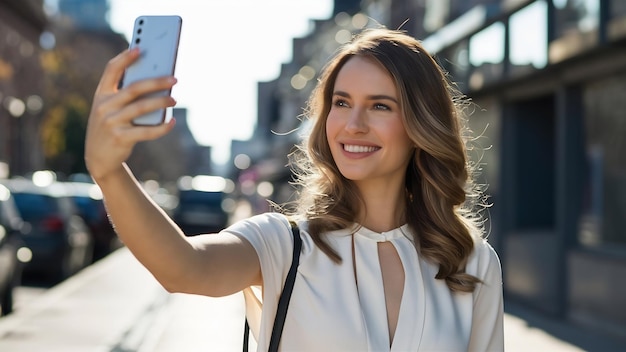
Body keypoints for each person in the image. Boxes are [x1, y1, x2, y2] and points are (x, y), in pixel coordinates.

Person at [85, 27, 504, 351]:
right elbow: (184, 267)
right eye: (341, 103)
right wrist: (109, 171)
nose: (353, 124)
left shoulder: (472, 264)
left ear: (421, 125)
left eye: (380, 105)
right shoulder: (286, 244)